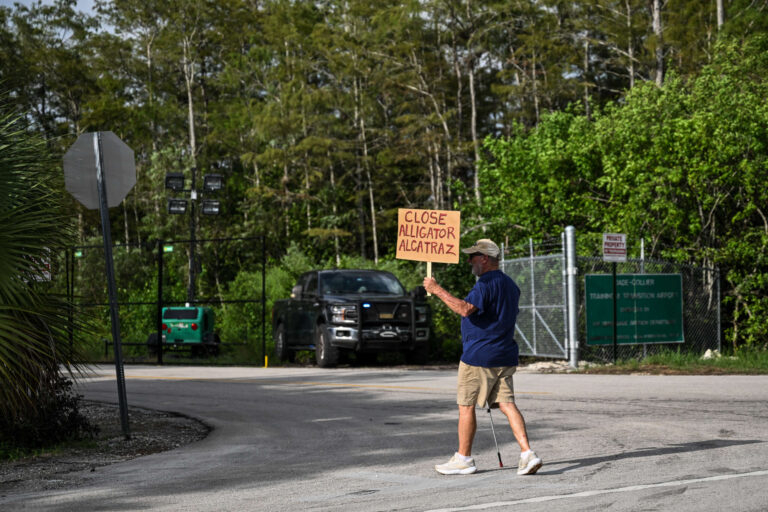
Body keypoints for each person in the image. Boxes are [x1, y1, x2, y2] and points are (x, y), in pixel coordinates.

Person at [423, 238, 542, 476]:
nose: (469, 261)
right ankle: (527, 454)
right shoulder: (510, 285)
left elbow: (465, 309)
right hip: (504, 353)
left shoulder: (485, 283)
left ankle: (463, 459)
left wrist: (436, 290)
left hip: (479, 355)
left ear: (484, 258)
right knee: (507, 404)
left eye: (473, 257)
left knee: (465, 406)